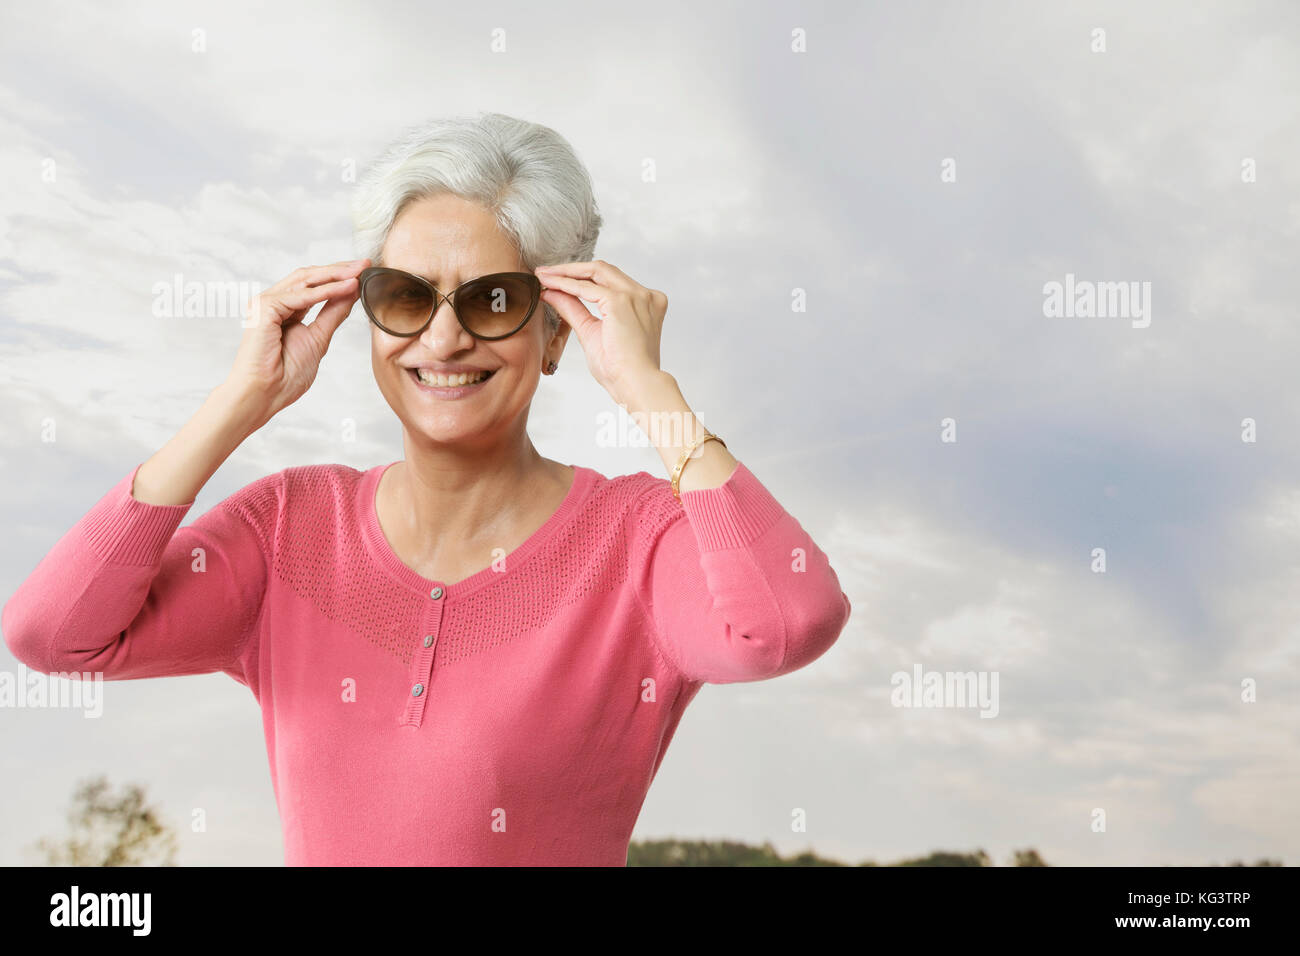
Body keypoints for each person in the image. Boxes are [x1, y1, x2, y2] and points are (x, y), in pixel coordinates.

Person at [2, 112, 852, 866]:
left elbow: (787, 624)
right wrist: (237, 405)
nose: (442, 339)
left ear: (559, 332)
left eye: (492, 301)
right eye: (406, 297)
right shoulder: (289, 527)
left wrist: (649, 393)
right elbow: (52, 635)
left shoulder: (639, 539)